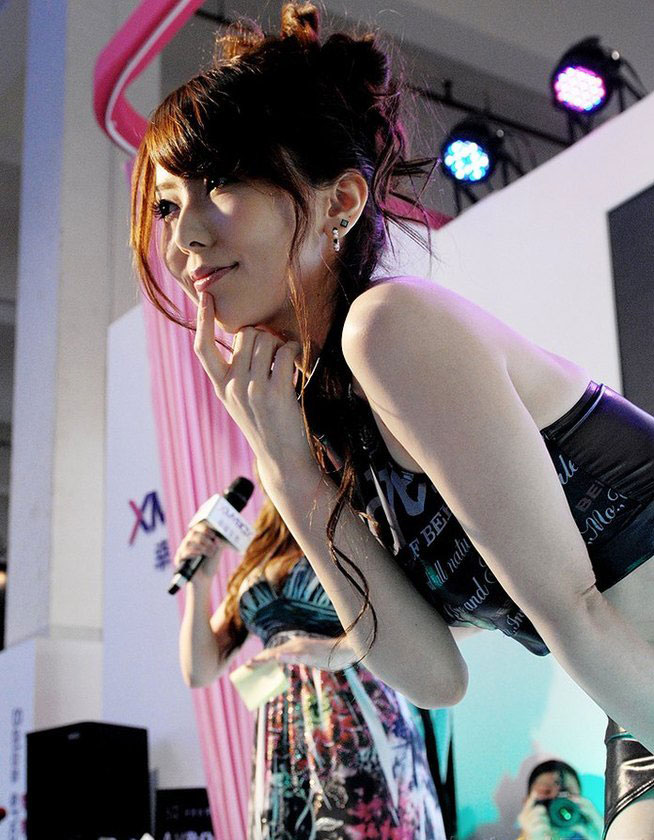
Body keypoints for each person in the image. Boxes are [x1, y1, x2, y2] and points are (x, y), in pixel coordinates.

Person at [129, 3, 654, 837]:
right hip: (632, 691)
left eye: (220, 182)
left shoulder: (388, 329)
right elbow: (435, 676)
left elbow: (574, 610)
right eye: (166, 205)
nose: (185, 235)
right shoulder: (325, 420)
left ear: (339, 201)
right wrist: (287, 472)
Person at [175, 495, 447, 838]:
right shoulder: (263, 547)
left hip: (355, 716)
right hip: (283, 734)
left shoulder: (359, 511)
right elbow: (198, 671)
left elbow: (413, 627)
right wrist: (199, 585)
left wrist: (333, 648)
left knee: (363, 822)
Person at [516, 760, 603, 840]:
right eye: (546, 791)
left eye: (566, 792)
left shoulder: (595, 832)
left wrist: (605, 834)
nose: (557, 801)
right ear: (527, 803)